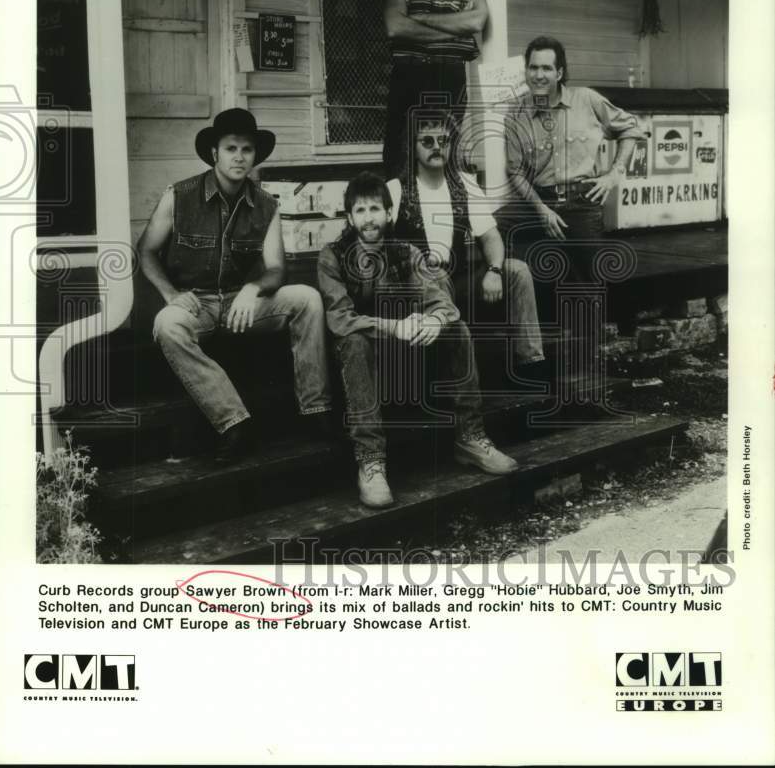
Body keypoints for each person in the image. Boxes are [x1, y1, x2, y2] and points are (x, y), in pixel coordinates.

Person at [137, 108, 332, 463]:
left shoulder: (266, 203)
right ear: (215, 153)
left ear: (255, 155)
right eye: (231, 148)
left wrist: (251, 288)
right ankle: (233, 422)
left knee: (307, 299)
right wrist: (170, 295)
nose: (239, 156)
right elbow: (146, 251)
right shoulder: (180, 195)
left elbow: (276, 269)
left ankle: (315, 410)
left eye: (246, 149)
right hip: (196, 305)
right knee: (167, 325)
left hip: (241, 305)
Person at [317, 172, 516, 509]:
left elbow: (442, 303)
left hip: (408, 354)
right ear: (349, 217)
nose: (369, 219)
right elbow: (340, 319)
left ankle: (470, 437)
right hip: (360, 361)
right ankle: (371, 461)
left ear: (389, 213)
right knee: (353, 341)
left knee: (457, 329)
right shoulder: (332, 256)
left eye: (375, 209)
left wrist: (435, 320)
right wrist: (393, 326)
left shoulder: (406, 252)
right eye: (361, 211)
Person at [386, 112, 546, 375]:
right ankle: (452, 377)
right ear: (412, 147)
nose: (437, 147)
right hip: (415, 289)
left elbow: (491, 236)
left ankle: (531, 366)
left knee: (517, 271)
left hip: (458, 282)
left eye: (444, 141)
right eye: (427, 141)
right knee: (434, 275)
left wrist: (494, 271)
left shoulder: (465, 184)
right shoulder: (396, 189)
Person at [495, 36, 646, 282]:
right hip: (538, 202)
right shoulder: (515, 114)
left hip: (581, 201)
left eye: (546, 68)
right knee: (493, 229)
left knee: (587, 282)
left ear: (559, 72)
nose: (538, 75)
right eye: (533, 67)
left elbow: (630, 129)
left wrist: (613, 174)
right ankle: (516, 290)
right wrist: (541, 209)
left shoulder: (586, 99)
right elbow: (515, 171)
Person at [382, 0, 488, 178]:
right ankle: (401, 217)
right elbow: (395, 27)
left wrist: (418, 18)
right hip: (409, 73)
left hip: (449, 76)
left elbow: (476, 22)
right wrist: (455, 29)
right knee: (401, 154)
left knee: (444, 152)